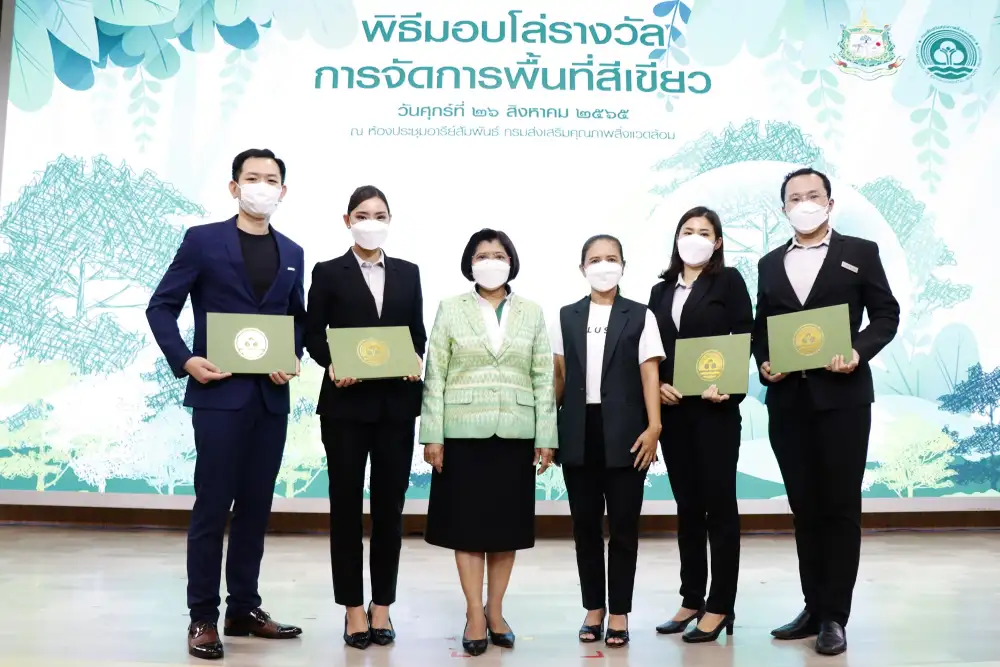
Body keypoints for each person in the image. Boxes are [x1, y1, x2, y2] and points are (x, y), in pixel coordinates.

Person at [146, 148, 305, 660]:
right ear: (234, 187)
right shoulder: (203, 240)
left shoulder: (293, 251)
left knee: (256, 509)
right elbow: (161, 306)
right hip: (219, 395)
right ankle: (202, 617)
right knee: (213, 508)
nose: (262, 186)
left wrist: (293, 356)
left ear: (283, 191)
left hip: (270, 399)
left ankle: (243, 609)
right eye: (252, 178)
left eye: (271, 180)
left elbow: (296, 320)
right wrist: (185, 359)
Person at [753, 167, 899, 656]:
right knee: (804, 509)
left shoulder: (860, 253)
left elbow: (886, 315)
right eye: (795, 198)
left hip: (843, 400)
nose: (805, 204)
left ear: (830, 203)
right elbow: (761, 327)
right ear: (784, 209)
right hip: (788, 404)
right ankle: (812, 607)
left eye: (813, 195)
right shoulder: (769, 263)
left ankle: (835, 615)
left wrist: (858, 350)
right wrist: (764, 362)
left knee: (839, 508)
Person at [419, 229, 557, 657]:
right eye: (483, 255)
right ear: (470, 263)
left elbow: (542, 377)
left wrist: (546, 437)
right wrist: (432, 435)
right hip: (461, 433)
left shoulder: (532, 311)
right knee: (466, 529)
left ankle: (495, 611)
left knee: (505, 530)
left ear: (511, 262)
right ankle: (473, 613)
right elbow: (435, 373)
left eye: (499, 254)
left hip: (516, 433)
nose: (491, 261)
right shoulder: (450, 308)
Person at [303, 185, 426, 650]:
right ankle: (353, 607)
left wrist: (415, 358)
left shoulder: (409, 273)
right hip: (346, 406)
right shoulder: (327, 271)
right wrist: (332, 362)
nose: (370, 222)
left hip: (396, 406)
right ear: (347, 220)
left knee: (390, 511)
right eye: (362, 214)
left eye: (379, 215)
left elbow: (416, 334)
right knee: (346, 508)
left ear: (390, 220)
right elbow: (314, 334)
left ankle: (382, 607)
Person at [551, 235, 665, 648]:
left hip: (627, 434)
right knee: (584, 527)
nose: (603, 265)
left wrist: (654, 427)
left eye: (611, 258)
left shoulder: (640, 315)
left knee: (623, 528)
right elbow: (559, 376)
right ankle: (593, 609)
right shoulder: (566, 316)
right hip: (578, 432)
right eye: (595, 259)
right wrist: (548, 431)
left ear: (623, 265)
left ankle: (619, 612)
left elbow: (649, 373)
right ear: (582, 268)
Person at [647, 207, 753, 642]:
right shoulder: (659, 290)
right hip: (674, 412)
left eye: (704, 232)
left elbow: (743, 338)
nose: (694, 237)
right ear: (676, 239)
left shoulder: (729, 282)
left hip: (715, 411)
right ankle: (691, 598)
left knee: (719, 507)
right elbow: (649, 349)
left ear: (718, 242)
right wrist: (657, 387)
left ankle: (721, 604)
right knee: (687, 507)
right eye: (687, 231)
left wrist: (728, 387)